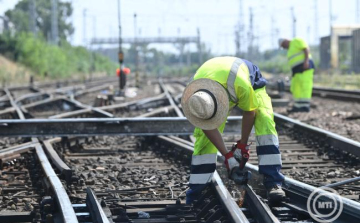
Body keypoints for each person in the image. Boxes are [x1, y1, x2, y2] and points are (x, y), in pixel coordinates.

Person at [181, 57, 285, 204]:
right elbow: (207, 127)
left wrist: (242, 145)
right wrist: (228, 156)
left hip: (249, 84)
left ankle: (274, 182)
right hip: (214, 89)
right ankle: (198, 190)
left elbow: (250, 112)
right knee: (203, 140)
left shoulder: (241, 85)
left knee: (265, 122)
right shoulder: (196, 99)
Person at [279, 38, 315, 112]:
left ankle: (305, 107)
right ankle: (298, 106)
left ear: (285, 41)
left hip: (305, 68)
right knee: (296, 88)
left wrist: (306, 61)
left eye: (283, 46)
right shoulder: (290, 49)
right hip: (297, 71)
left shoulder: (296, 41)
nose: (283, 48)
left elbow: (306, 49)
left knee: (305, 86)